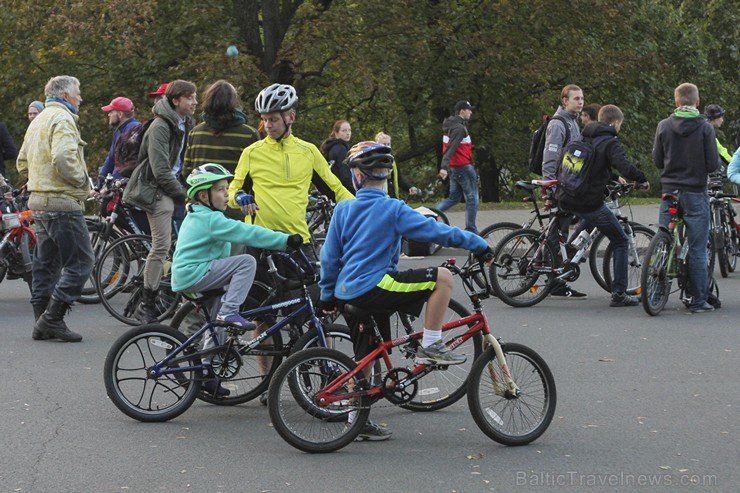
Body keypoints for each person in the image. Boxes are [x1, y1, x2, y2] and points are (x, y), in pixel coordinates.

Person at [318, 141, 492, 440]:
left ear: (357, 177)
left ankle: (354, 421)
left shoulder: (343, 209)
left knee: (366, 355)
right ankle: (432, 344)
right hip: (375, 284)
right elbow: (438, 232)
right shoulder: (393, 208)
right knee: (442, 277)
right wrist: (478, 243)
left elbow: (329, 257)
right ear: (386, 176)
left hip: (348, 291)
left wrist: (326, 295)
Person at [172, 163, 302, 395]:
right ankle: (230, 311)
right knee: (246, 262)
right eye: (221, 190)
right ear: (204, 195)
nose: (227, 195)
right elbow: (247, 232)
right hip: (195, 274)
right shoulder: (211, 220)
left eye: (227, 189)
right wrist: (283, 240)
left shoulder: (203, 214)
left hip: (197, 274)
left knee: (217, 328)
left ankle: (208, 375)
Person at [228, 83, 354, 254]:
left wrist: (364, 210)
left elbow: (336, 190)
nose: (267, 126)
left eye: (273, 119)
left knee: (316, 281)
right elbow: (232, 192)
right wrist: (239, 196)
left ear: (291, 117)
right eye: (264, 119)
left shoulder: (308, 152)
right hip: (259, 241)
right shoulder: (252, 153)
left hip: (296, 240)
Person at [16, 75, 94, 342]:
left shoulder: (38, 120)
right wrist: (82, 180)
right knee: (81, 263)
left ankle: (41, 320)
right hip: (61, 202)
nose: (80, 98)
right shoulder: (62, 119)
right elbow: (63, 157)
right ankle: (52, 320)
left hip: (38, 202)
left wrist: (36, 179)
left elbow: (22, 162)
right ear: (64, 96)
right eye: (78, 92)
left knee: (46, 264)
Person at [557, 105, 650, 306]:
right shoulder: (610, 142)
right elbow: (624, 165)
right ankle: (619, 294)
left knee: (594, 217)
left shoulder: (583, 137)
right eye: (621, 125)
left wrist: (612, 178)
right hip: (587, 200)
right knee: (620, 240)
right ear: (616, 123)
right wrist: (641, 179)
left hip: (566, 194)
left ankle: (571, 250)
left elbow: (590, 167)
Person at [123, 79, 197, 323]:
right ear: (176, 100)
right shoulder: (160, 126)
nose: (195, 102)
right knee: (161, 245)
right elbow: (160, 170)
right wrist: (184, 195)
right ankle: (147, 302)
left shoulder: (187, 123)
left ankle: (179, 294)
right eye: (190, 98)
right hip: (156, 190)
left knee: (186, 241)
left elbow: (184, 162)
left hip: (174, 186)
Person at [653, 82, 719, 313]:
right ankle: (698, 301)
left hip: (669, 191)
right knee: (699, 248)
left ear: (676, 102)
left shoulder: (663, 125)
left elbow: (658, 161)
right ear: (697, 102)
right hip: (695, 191)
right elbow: (712, 163)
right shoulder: (705, 128)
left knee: (664, 238)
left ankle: (656, 287)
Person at [183, 80, 259, 223]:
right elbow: (256, 175)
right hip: (234, 209)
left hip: (201, 208)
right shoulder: (249, 134)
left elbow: (187, 172)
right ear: (233, 103)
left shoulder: (195, 133)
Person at [543, 84, 587, 298]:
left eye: (582, 98)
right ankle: (555, 282)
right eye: (576, 98)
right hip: (559, 186)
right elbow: (550, 157)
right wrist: (550, 186)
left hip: (570, 185)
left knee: (562, 230)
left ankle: (560, 271)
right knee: (556, 233)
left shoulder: (573, 123)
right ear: (564, 101)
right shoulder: (559, 124)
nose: (580, 101)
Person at [435, 100, 479, 232]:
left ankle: (428, 215)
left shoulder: (450, 125)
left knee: (453, 198)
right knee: (472, 198)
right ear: (462, 111)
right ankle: (471, 228)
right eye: (469, 109)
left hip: (455, 168)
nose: (471, 112)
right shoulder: (459, 128)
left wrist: (447, 167)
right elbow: (451, 148)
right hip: (463, 167)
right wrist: (444, 167)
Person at [97, 96, 140, 183]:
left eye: (111, 112)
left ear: (120, 114)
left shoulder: (133, 130)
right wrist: (100, 180)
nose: (109, 114)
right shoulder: (119, 131)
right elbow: (111, 158)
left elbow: (126, 163)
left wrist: (110, 183)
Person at [374, 131, 419, 199]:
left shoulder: (392, 160)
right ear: (377, 145)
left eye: (388, 144)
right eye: (384, 144)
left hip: (393, 196)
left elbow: (399, 179)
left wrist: (410, 187)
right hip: (379, 197)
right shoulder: (372, 160)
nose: (386, 146)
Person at [320, 120, 354, 193]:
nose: (348, 133)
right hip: (342, 191)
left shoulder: (331, 147)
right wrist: (354, 192)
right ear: (336, 133)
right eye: (344, 131)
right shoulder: (341, 148)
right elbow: (345, 174)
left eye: (349, 130)